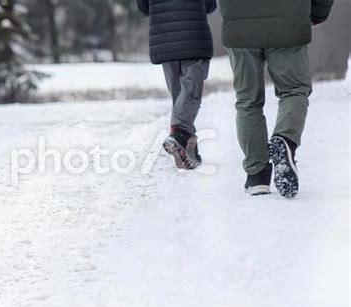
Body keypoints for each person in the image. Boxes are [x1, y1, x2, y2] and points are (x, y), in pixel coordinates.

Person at [218, 0, 334, 197]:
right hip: (289, 22)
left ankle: (256, 176)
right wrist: (316, 14)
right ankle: (285, 140)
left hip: (240, 26)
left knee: (248, 100)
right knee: (294, 90)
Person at [137, 0, 217, 170]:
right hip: (193, 33)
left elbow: (144, 7)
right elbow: (210, 5)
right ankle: (179, 134)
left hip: (164, 35)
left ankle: (187, 147)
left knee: (179, 94)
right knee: (190, 91)